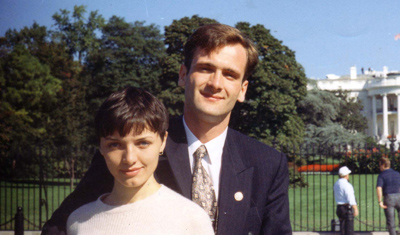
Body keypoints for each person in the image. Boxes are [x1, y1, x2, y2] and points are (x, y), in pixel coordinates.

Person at [42, 23, 292, 235]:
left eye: (229, 74)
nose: (216, 83)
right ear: (184, 74)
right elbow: (63, 226)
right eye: (206, 68)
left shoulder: (268, 164)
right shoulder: (137, 145)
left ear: (243, 89)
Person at [66, 87, 213, 234]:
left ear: (163, 142)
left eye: (143, 143)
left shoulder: (191, 219)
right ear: (101, 147)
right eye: (115, 145)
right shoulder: (78, 222)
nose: (129, 158)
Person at [376, 157, 400, 235]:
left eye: (379, 165)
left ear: (383, 165)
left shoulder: (382, 175)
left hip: (389, 197)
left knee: (391, 221)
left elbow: (379, 188)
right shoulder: (397, 173)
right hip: (399, 195)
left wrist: (380, 201)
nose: (379, 167)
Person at [333, 166, 359, 235]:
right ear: (346, 175)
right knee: (349, 230)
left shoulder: (336, 184)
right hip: (346, 208)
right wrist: (355, 208)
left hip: (339, 207)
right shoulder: (347, 185)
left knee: (342, 229)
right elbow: (350, 197)